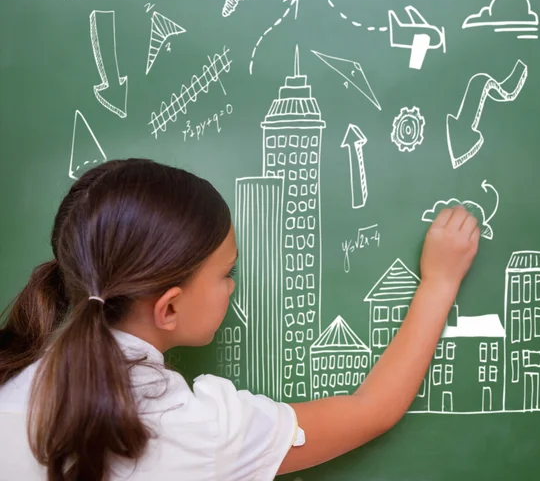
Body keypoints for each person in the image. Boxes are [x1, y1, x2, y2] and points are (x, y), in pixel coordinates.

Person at [0, 158, 479, 481]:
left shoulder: (11, 381)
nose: (233, 286)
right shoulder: (196, 428)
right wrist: (439, 282)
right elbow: (371, 410)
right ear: (168, 307)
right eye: (226, 273)